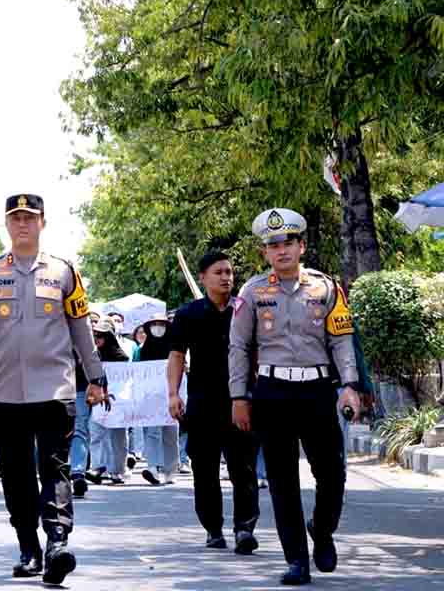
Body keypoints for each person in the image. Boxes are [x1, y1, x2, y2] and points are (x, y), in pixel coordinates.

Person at [0, 193, 109, 584]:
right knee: (16, 474)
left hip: (56, 389)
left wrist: (95, 375)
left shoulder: (63, 272)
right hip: (6, 392)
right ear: (7, 225)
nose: (22, 224)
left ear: (42, 222)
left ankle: (57, 543)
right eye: (15, 218)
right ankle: (29, 547)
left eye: (29, 217)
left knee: (55, 467)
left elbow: (81, 327)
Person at [229, 208, 362, 586]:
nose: (281, 250)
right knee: (282, 480)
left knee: (332, 473)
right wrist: (239, 396)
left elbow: (341, 339)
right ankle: (297, 561)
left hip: (317, 391)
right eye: (273, 245)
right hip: (272, 392)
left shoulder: (326, 288)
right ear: (264, 253)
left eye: (288, 242)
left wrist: (349, 386)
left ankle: (321, 529)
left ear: (301, 246)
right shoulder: (252, 292)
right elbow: (238, 346)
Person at [167, 251, 260, 554]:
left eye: (230, 272)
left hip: (241, 402)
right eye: (219, 272)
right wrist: (173, 393)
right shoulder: (188, 314)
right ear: (203, 277)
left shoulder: (244, 310)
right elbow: (177, 355)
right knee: (204, 471)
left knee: (243, 469)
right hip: (202, 404)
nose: (226, 277)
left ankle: (244, 529)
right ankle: (213, 528)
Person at [82, 317, 131, 487]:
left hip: (117, 403)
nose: (97, 340)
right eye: (94, 337)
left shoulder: (121, 358)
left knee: (118, 438)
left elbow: (127, 380)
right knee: (96, 433)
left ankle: (117, 471)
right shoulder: (92, 357)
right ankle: (97, 467)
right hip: (98, 402)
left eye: (100, 336)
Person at [136, 314, 180, 486]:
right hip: (150, 398)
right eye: (153, 324)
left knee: (170, 433)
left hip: (171, 395)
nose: (157, 328)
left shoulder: (174, 347)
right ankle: (153, 467)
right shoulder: (141, 350)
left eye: (161, 324)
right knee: (152, 432)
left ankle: (170, 470)